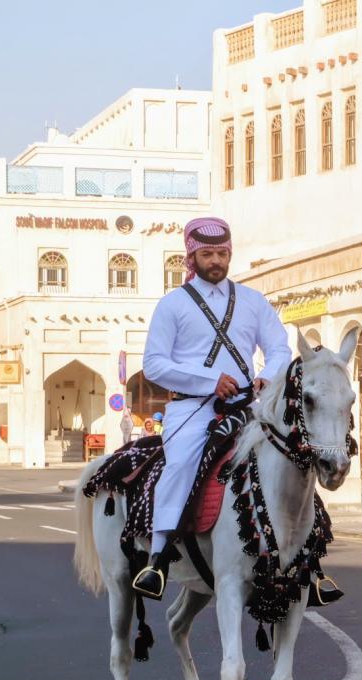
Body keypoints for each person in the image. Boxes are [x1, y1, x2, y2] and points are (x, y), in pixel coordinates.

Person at [130, 217, 292, 600]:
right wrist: (208, 381)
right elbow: (154, 364)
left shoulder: (252, 301)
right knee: (181, 464)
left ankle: (308, 560)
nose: (216, 261)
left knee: (291, 456)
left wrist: (268, 376)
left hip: (249, 406)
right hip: (193, 410)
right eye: (207, 254)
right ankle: (157, 558)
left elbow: (280, 347)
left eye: (222, 253)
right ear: (191, 256)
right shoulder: (172, 305)